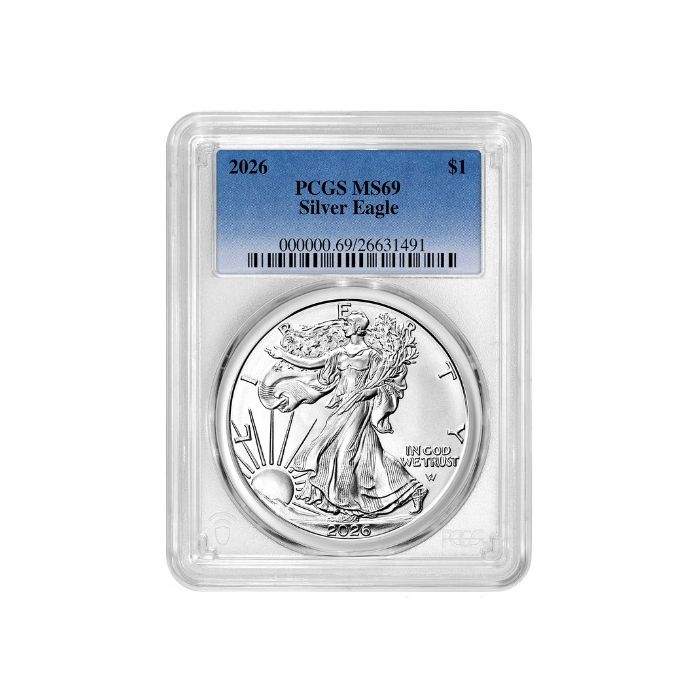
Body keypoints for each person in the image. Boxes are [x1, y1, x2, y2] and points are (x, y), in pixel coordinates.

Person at [263, 310, 427, 519]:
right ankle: (413, 489)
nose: (344, 327)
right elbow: (311, 363)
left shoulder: (372, 355)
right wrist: (282, 355)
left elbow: (388, 383)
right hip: (342, 406)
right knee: (361, 453)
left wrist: (370, 391)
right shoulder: (339, 353)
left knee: (345, 452)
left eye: (348, 324)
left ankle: (347, 506)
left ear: (357, 328)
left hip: (360, 406)